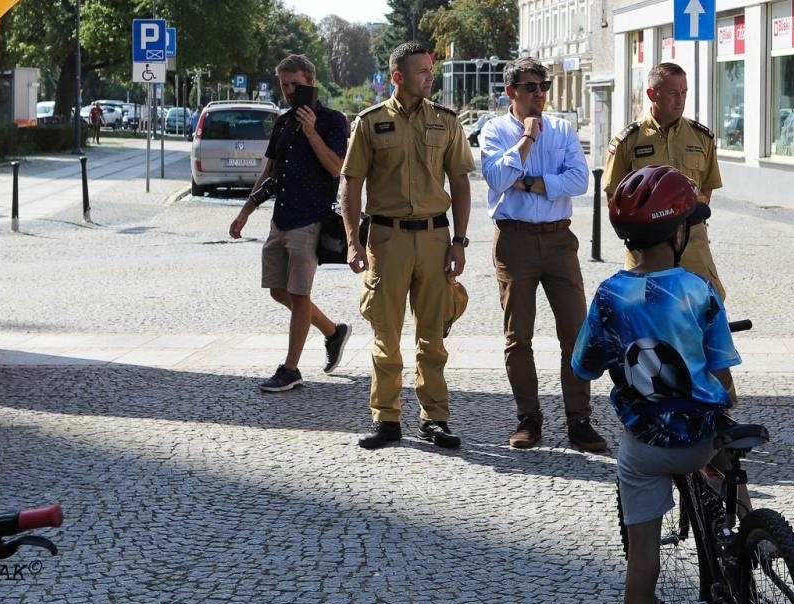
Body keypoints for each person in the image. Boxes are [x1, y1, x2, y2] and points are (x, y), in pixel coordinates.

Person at [570, 165, 740, 604]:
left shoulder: (610, 295)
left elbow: (583, 365)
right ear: (679, 233)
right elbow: (722, 374)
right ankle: (753, 537)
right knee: (725, 441)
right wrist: (724, 399)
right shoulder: (699, 290)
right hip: (701, 441)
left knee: (642, 568)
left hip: (645, 447)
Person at [341, 42, 475, 451]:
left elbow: (461, 182)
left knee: (433, 336)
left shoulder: (446, 121)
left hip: (435, 239)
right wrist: (352, 241)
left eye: (431, 70)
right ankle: (386, 419)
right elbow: (351, 183)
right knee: (386, 334)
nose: (430, 77)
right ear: (398, 76)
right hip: (387, 239)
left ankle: (435, 419)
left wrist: (459, 241)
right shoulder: (370, 122)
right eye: (422, 71)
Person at [480, 57, 607, 453]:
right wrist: (528, 139)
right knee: (518, 336)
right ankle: (528, 417)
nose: (539, 94)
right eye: (530, 87)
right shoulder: (495, 130)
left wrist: (530, 182)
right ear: (511, 91)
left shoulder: (563, 129)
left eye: (543, 86)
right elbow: (497, 178)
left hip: (558, 239)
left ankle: (579, 419)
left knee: (576, 331)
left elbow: (580, 181)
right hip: (514, 239)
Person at [229, 55, 352, 394]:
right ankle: (333, 331)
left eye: (295, 84)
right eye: (284, 85)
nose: (289, 91)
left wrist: (311, 131)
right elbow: (268, 172)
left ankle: (291, 369)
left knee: (299, 294)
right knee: (278, 290)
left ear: (311, 82)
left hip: (310, 219)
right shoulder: (283, 123)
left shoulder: (332, 121)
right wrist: (245, 211)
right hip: (280, 218)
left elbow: (336, 167)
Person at [602, 62, 724, 298]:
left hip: (691, 239)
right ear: (652, 94)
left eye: (684, 92)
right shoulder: (628, 141)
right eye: (673, 93)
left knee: (707, 301)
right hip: (646, 245)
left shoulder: (701, 137)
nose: (680, 100)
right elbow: (614, 198)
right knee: (641, 306)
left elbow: (706, 189)